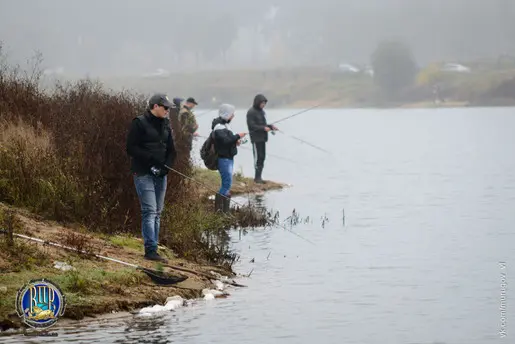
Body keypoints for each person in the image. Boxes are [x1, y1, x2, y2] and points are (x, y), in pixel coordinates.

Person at [126, 93, 176, 262]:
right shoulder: (139, 123)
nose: (168, 111)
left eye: (169, 108)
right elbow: (131, 148)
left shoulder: (167, 125)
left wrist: (166, 167)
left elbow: (172, 150)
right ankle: (150, 250)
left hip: (160, 174)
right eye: (165, 108)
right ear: (155, 106)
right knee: (149, 211)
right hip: (142, 173)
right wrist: (150, 158)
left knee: (158, 212)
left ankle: (154, 246)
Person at [212, 104, 247, 212]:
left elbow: (227, 141)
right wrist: (238, 136)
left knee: (227, 184)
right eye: (232, 114)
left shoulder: (225, 125)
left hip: (228, 158)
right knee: (226, 184)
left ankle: (224, 212)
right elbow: (225, 141)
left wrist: (235, 142)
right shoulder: (219, 127)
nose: (233, 116)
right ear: (227, 114)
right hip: (224, 159)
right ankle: (219, 211)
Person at [246, 94, 278, 184]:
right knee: (257, 158)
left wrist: (271, 127)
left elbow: (263, 125)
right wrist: (263, 128)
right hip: (256, 139)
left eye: (264, 103)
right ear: (257, 102)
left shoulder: (262, 112)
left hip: (263, 138)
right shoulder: (251, 112)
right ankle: (257, 178)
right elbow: (252, 126)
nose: (263, 105)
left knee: (262, 157)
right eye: (262, 103)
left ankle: (259, 177)